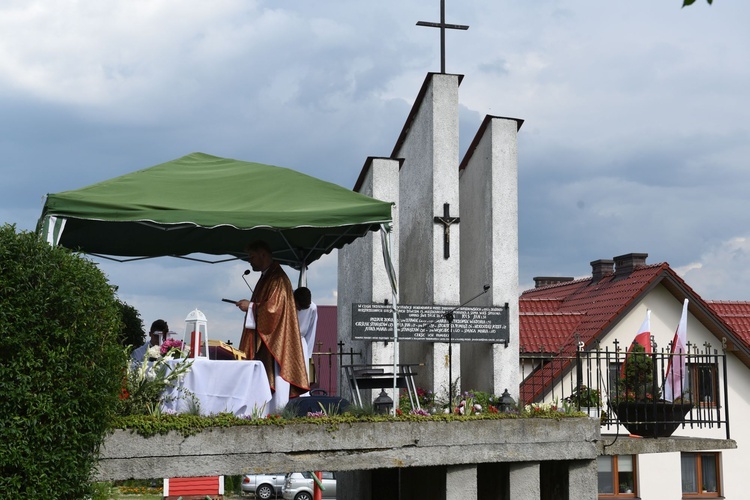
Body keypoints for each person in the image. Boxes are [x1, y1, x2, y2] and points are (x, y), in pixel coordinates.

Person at [236, 240, 309, 412]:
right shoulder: (267, 277)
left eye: (252, 257)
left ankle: (275, 414)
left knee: (275, 385)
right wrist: (252, 307)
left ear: (263, 254)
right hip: (266, 343)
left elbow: (273, 310)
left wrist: (251, 307)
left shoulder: (278, 278)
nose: (250, 261)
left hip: (275, 343)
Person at [294, 287, 318, 384]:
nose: (300, 310)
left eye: (304, 308)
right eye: (299, 307)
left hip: (301, 341)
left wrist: (308, 354)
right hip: (285, 340)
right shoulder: (286, 302)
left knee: (301, 375)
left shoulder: (312, 308)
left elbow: (311, 331)